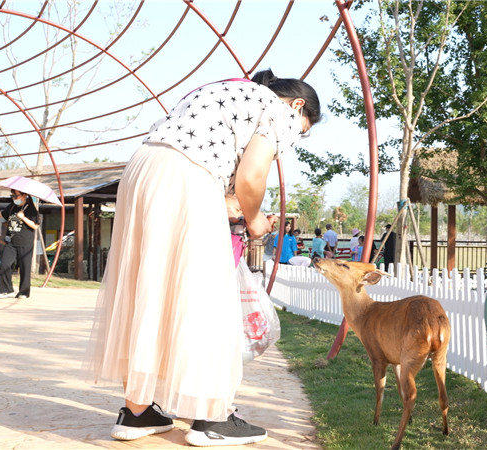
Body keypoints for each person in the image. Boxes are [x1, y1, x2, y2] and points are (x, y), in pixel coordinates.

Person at [86, 70, 320, 446]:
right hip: (184, 176)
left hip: (141, 170)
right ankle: (211, 417)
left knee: (144, 287)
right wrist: (256, 219)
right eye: (304, 128)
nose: (297, 134)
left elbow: (201, 160)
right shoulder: (278, 110)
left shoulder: (222, 92)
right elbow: (251, 177)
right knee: (204, 295)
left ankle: (138, 411)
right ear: (297, 105)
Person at [0, 190, 39, 299]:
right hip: (11, 241)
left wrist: (23, 217)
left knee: (25, 268)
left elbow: (35, 226)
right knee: (5, 265)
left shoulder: (30, 208)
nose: (14, 198)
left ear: (24, 195)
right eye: (12, 196)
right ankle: (6, 289)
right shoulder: (12, 207)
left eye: (16, 196)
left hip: (25, 242)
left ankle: (23, 292)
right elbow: (2, 214)